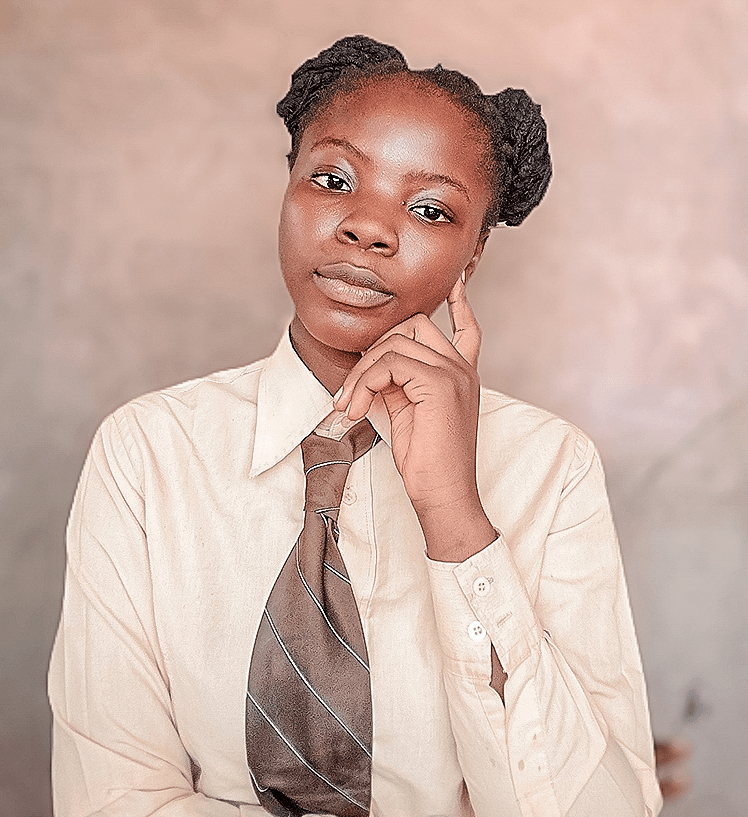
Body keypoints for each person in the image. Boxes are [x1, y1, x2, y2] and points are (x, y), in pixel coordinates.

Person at [48, 35, 663, 817]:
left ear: (473, 253)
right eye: (333, 179)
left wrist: (455, 515)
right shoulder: (147, 452)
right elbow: (113, 800)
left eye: (429, 208)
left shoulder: (552, 466)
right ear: (288, 190)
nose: (368, 228)